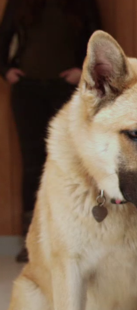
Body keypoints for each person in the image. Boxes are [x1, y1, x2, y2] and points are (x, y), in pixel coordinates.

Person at [0, 0, 101, 262]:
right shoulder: (19, 3)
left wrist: (82, 71)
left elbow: (98, 41)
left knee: (70, 164)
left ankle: (72, 238)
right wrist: (6, 70)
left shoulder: (83, 4)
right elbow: (3, 36)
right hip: (27, 91)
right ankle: (32, 241)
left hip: (66, 91)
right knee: (33, 165)